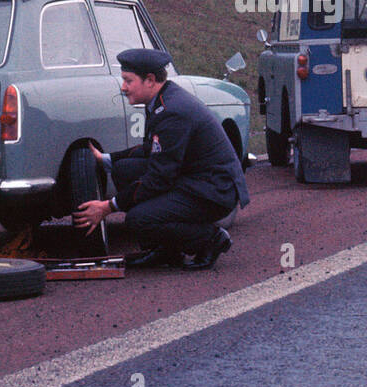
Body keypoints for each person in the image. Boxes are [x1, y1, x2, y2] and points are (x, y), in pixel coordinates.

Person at [73, 48, 249, 270]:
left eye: (128, 80)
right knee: (123, 169)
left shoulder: (172, 110)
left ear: (150, 80)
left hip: (213, 191)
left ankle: (211, 239)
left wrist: (109, 206)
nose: (123, 87)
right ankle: (166, 251)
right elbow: (152, 149)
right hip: (196, 178)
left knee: (138, 219)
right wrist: (107, 159)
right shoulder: (162, 100)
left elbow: (159, 178)